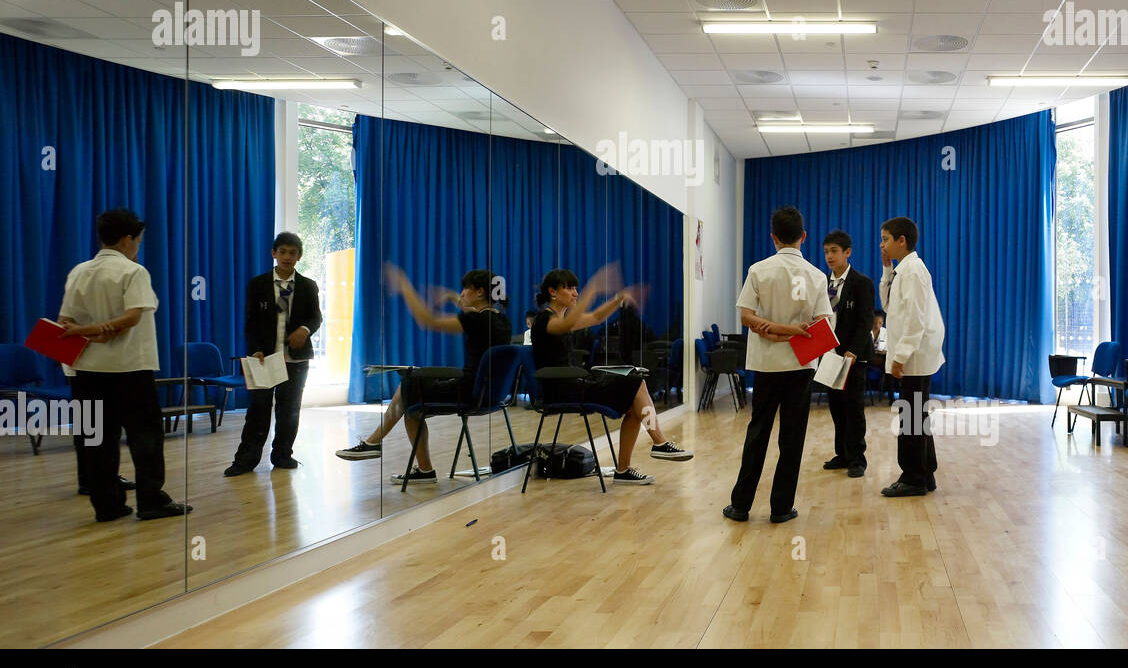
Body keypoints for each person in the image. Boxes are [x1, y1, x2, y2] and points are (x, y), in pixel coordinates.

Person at [57, 208, 190, 522]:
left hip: (86, 370)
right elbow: (132, 317)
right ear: (129, 239)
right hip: (129, 369)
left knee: (96, 440)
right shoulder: (134, 272)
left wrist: (87, 332)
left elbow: (65, 322)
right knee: (146, 439)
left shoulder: (79, 271)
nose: (138, 247)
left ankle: (108, 506)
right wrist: (101, 330)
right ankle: (150, 501)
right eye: (138, 241)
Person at [336, 266, 512, 483]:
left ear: (479, 292)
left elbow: (428, 320)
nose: (462, 294)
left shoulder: (477, 321)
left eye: (465, 289)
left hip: (470, 393)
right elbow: (470, 312)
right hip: (490, 394)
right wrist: (450, 297)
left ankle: (382, 447)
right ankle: (385, 449)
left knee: (409, 390)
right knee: (412, 390)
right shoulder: (500, 320)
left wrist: (405, 287)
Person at [531, 265, 692, 484]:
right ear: (552, 292)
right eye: (570, 288)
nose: (576, 293)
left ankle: (624, 470)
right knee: (636, 385)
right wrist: (593, 289)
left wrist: (618, 298)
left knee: (635, 403)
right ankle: (659, 443)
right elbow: (567, 324)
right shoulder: (544, 320)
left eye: (577, 289)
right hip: (561, 389)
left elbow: (596, 316)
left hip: (575, 382)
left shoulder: (561, 318)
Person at [724, 206, 832, 524]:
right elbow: (824, 325)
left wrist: (772, 329)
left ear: (773, 237)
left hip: (766, 367)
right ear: (804, 236)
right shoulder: (816, 275)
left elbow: (746, 317)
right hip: (801, 368)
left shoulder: (759, 270)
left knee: (757, 433)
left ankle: (741, 506)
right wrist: (793, 331)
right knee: (792, 438)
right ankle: (781, 508)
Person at [225, 232, 321, 476]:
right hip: (264, 358)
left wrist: (304, 329)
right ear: (274, 254)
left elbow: (315, 317)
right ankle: (245, 460)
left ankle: (282, 455)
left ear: (299, 256)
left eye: (293, 253)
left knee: (289, 410)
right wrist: (255, 348)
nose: (287, 257)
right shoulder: (258, 284)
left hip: (295, 359)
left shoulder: (308, 286)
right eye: (283, 252)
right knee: (257, 410)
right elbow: (251, 322)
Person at [879, 216, 946, 497]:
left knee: (910, 416)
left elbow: (916, 319)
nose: (881, 245)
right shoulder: (903, 270)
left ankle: (913, 477)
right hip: (914, 354)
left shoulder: (914, 271)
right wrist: (886, 269)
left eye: (885, 239)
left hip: (915, 356)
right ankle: (925, 472)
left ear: (901, 240)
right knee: (917, 414)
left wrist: (901, 355)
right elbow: (888, 306)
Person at [820, 230, 876, 478]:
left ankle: (857, 458)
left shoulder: (861, 283)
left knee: (853, 408)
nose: (829, 257)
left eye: (833, 251)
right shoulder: (823, 283)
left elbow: (866, 322)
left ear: (847, 252)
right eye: (826, 252)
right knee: (836, 407)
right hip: (830, 356)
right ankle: (842, 454)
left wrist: (852, 351)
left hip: (853, 357)